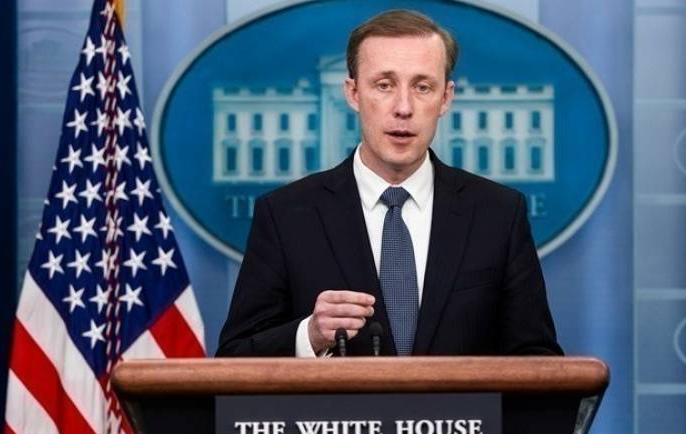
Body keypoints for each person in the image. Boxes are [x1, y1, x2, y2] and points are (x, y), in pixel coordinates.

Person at [216, 9, 562, 357]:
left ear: (445, 98)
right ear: (353, 93)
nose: (403, 108)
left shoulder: (499, 214)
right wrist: (309, 336)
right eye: (384, 85)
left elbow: (538, 360)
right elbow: (234, 358)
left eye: (422, 87)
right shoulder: (285, 215)